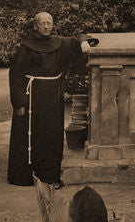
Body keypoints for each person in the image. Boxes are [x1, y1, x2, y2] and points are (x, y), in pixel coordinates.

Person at [7, 12, 97, 187]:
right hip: (31, 96)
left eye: (49, 23)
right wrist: (19, 103)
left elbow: (78, 39)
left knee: (51, 135)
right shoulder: (25, 47)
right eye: (43, 23)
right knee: (29, 136)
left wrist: (85, 42)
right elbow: (15, 75)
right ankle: (24, 177)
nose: (47, 26)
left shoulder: (59, 43)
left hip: (52, 98)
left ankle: (49, 177)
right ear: (35, 26)